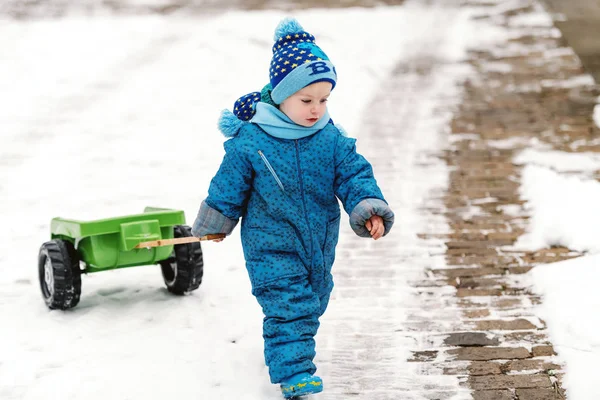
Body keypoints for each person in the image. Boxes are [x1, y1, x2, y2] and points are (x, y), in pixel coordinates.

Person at [192, 17, 394, 399]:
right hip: (271, 244)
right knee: (290, 305)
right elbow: (229, 185)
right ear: (281, 95)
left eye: (323, 99)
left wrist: (367, 207)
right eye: (306, 100)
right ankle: (295, 374)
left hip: (318, 240)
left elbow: (353, 174)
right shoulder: (252, 139)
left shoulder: (330, 138)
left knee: (315, 298)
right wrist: (216, 220)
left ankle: (290, 348)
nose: (316, 109)